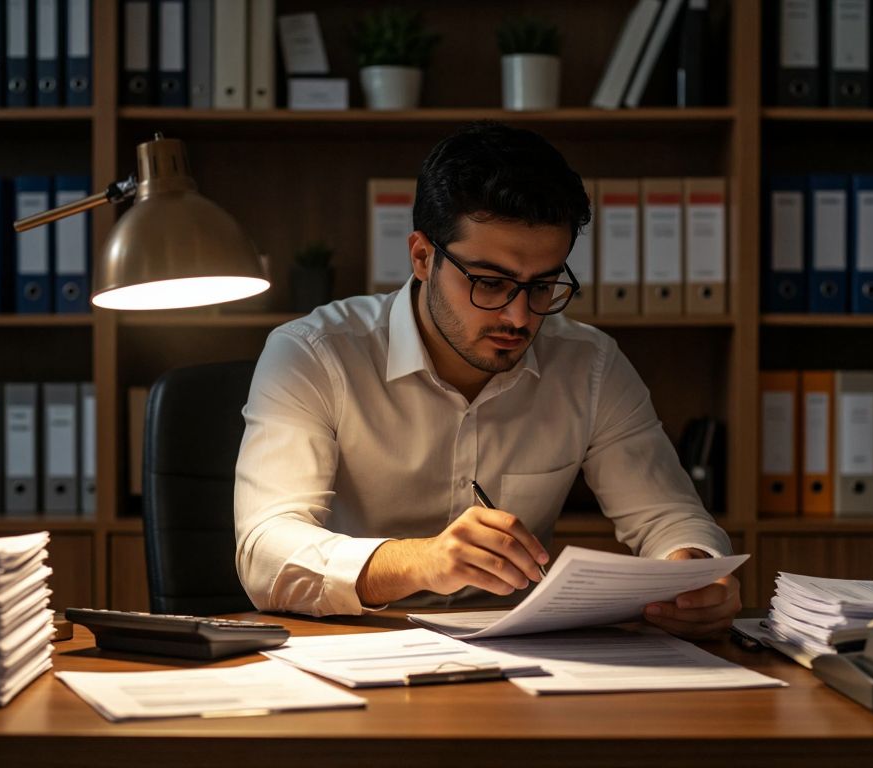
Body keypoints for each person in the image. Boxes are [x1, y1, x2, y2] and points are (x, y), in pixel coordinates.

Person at [234, 121, 740, 640]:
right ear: (423, 257)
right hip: (353, 643)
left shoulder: (590, 366)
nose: (520, 317)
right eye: (491, 283)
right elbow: (265, 550)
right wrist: (424, 561)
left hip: (526, 655)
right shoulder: (314, 353)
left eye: (542, 285)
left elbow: (669, 516)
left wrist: (694, 571)